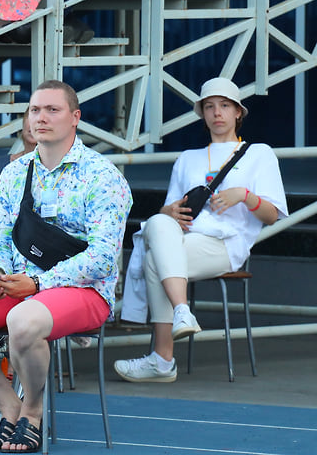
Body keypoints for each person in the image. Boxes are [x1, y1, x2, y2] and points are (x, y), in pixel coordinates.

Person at [0, 81, 131, 455]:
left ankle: (32, 415)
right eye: (35, 110)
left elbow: (102, 257)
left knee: (23, 320)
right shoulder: (16, 172)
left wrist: (37, 283)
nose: (41, 117)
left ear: (75, 118)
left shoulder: (104, 176)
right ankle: (9, 407)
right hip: (18, 286)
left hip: (83, 291)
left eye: (53, 110)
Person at [114, 78, 286, 383]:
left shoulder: (259, 153)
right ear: (203, 114)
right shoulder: (187, 159)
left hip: (226, 244)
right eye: (209, 107)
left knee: (156, 258)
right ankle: (181, 314)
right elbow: (170, 216)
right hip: (184, 241)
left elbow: (272, 215)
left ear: (237, 113)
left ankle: (162, 358)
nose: (217, 113)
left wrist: (245, 196)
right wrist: (168, 212)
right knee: (157, 226)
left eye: (224, 106)